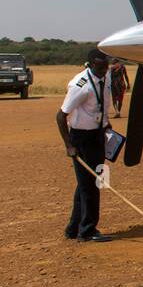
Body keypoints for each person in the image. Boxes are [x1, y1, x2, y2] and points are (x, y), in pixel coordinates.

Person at [55, 48, 114, 242]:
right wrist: (69, 146)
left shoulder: (106, 78)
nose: (104, 70)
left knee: (88, 183)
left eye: (106, 66)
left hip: (98, 135)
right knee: (91, 185)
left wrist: (106, 127)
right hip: (82, 139)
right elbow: (61, 116)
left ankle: (74, 228)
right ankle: (87, 230)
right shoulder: (81, 86)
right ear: (90, 65)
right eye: (100, 67)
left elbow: (103, 106)